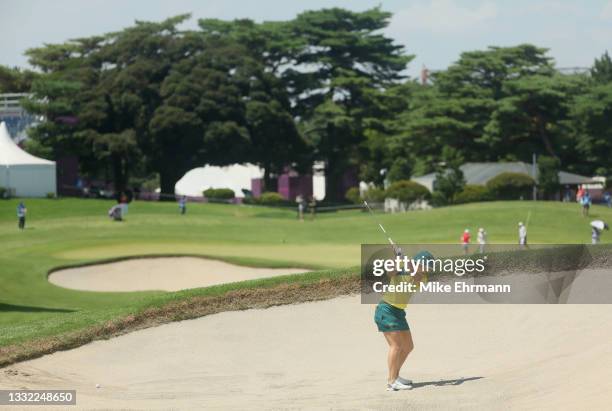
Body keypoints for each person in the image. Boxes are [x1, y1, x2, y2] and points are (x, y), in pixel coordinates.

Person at [374, 249, 433, 391]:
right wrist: (398, 258)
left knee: (408, 346)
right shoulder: (400, 270)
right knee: (396, 346)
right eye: (425, 267)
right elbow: (390, 272)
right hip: (386, 310)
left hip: (399, 312)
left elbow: (415, 275)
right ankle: (391, 381)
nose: (427, 271)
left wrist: (405, 260)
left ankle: (395, 375)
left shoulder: (422, 277)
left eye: (429, 268)